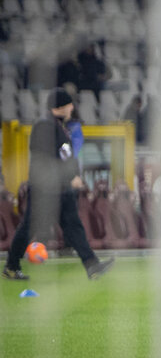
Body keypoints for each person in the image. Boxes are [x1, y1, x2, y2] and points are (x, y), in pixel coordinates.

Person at [2, 88, 114, 281]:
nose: (72, 107)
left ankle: (92, 265)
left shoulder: (58, 126)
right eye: (69, 104)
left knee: (74, 226)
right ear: (60, 106)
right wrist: (68, 175)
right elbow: (46, 158)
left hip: (61, 188)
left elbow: (65, 156)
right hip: (45, 188)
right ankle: (12, 266)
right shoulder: (44, 126)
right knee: (30, 226)